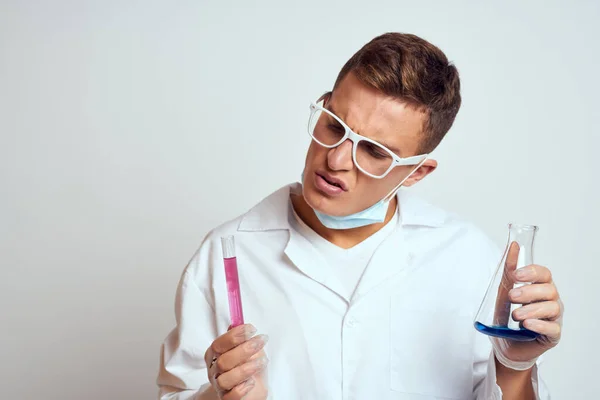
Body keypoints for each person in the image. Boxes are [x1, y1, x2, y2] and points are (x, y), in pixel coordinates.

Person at [156, 32, 563, 400]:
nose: (335, 160)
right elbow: (178, 393)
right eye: (334, 126)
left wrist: (514, 367)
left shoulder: (466, 257)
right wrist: (215, 397)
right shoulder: (228, 253)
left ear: (417, 172)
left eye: (373, 152)